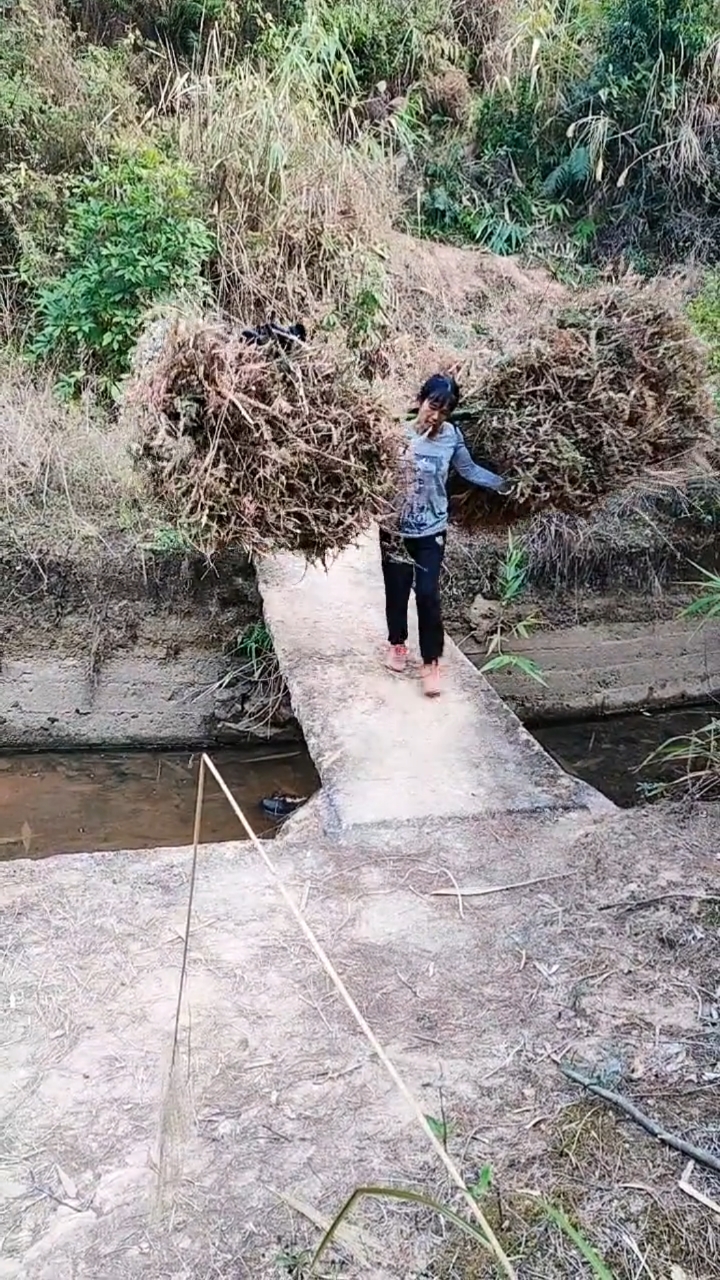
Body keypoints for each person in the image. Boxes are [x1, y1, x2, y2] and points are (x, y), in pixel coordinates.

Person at [381, 373, 511, 698]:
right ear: (420, 401)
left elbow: (468, 471)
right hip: (394, 529)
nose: (436, 416)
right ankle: (397, 644)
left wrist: (507, 484)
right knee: (396, 592)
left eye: (444, 411)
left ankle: (430, 662)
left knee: (427, 594)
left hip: (431, 529)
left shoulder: (451, 436)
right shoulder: (395, 431)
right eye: (432, 406)